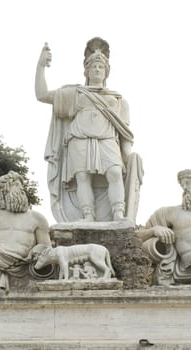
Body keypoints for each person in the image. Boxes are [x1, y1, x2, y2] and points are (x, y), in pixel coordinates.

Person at [35, 37, 143, 223]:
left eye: (101, 67)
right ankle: (87, 215)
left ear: (107, 72)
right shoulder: (76, 93)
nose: (97, 70)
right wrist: (41, 66)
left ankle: (118, 213)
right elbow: (42, 95)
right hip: (79, 138)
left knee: (115, 173)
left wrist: (127, 154)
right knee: (82, 177)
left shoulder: (118, 100)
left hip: (107, 139)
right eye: (93, 67)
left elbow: (124, 132)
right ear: (86, 70)